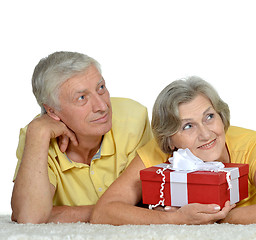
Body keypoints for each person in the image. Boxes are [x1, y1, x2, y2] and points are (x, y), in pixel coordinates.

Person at [90, 76, 256, 225]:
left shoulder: (254, 144)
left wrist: (215, 218)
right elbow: (104, 212)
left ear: (221, 115)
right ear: (169, 139)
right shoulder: (155, 152)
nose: (205, 134)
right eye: (188, 126)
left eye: (209, 117)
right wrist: (174, 220)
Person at [11, 51, 152, 224]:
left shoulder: (133, 119)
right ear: (52, 111)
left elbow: (148, 203)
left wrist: (57, 214)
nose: (102, 106)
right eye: (82, 98)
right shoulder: (36, 136)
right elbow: (29, 217)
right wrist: (37, 133)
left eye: (101, 88)